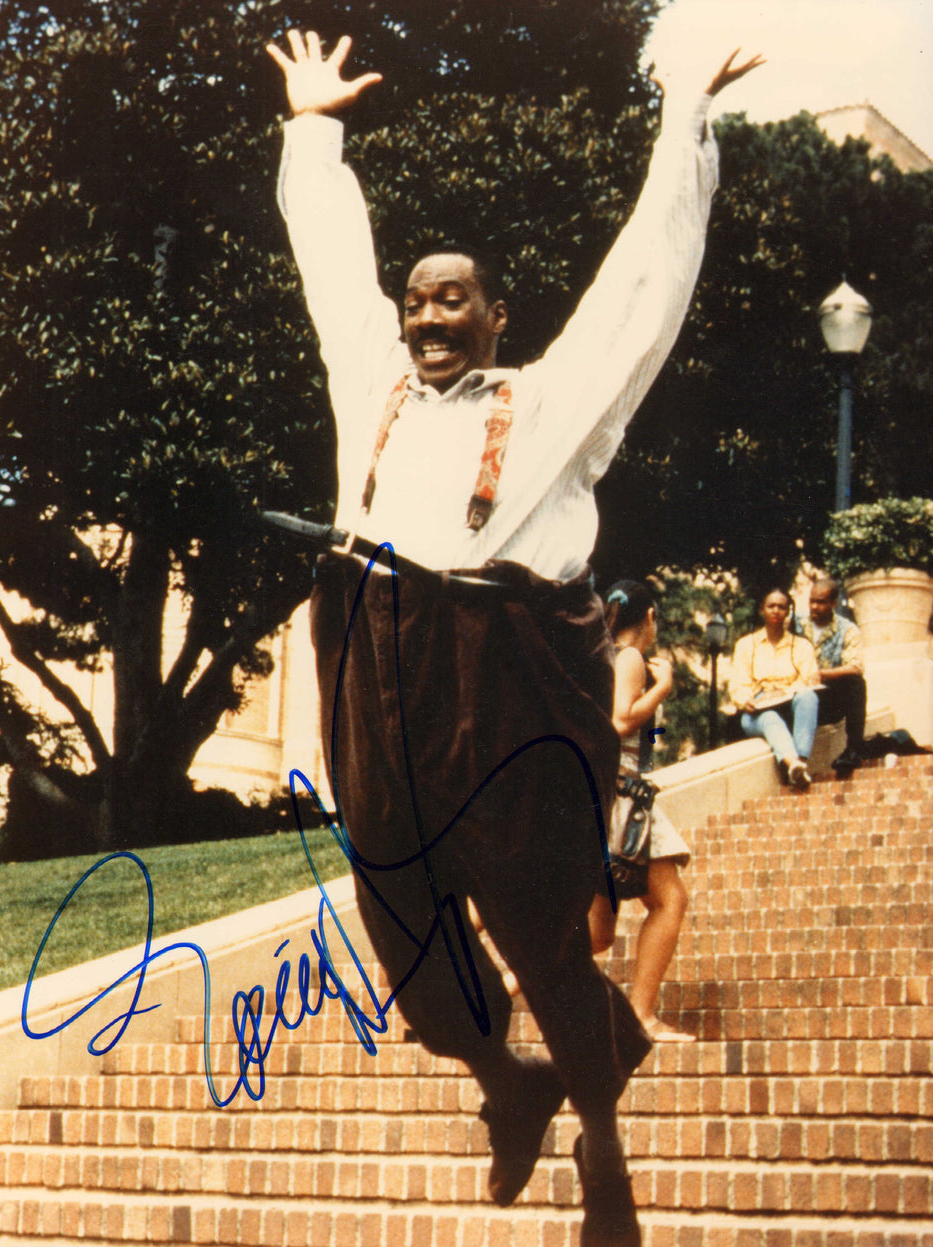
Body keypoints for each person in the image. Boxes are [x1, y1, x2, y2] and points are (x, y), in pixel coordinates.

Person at [268, 29, 762, 1247]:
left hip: (508, 674)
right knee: (404, 930)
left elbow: (640, 295)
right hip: (373, 663)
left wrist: (683, 121)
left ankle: (602, 1134)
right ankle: (513, 1083)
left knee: (543, 923)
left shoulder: (548, 403)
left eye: (453, 300)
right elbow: (335, 274)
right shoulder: (369, 388)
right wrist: (314, 131)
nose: (429, 317)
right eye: (418, 301)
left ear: (496, 314)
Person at [587, 581, 694, 1043]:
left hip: (607, 791)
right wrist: (665, 685)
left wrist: (657, 713)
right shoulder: (629, 657)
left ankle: (501, 986)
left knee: (596, 935)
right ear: (648, 615)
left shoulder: (600, 655)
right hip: (623, 796)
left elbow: (644, 735)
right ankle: (642, 1018)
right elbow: (621, 720)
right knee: (670, 901)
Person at [731, 587, 820, 789]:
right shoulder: (746, 645)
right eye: (771, 606)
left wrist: (786, 691)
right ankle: (793, 764)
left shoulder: (801, 645)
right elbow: (738, 683)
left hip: (790, 703)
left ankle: (800, 765)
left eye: (781, 607)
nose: (776, 611)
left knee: (809, 697)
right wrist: (746, 701)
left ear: (788, 611)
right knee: (770, 718)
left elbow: (810, 680)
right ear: (762, 609)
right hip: (758, 711)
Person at [793, 574, 867, 775]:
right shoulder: (796, 626)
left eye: (821, 602)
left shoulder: (847, 630)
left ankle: (853, 750)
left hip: (827, 699)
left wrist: (822, 674)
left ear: (833, 603)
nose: (814, 607)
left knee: (856, 684)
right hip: (795, 695)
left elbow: (855, 667)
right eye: (812, 601)